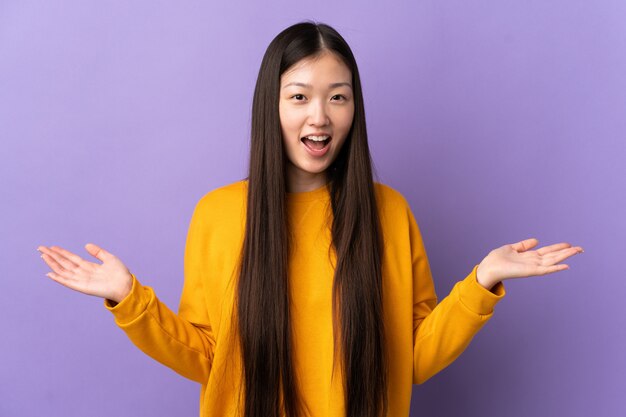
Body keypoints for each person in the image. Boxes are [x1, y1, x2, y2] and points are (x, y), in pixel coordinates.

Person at [37, 21, 583, 417]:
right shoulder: (219, 214)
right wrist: (128, 300)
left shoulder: (388, 213)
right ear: (271, 106)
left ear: (353, 110)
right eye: (299, 96)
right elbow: (208, 357)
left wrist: (483, 281)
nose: (319, 115)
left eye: (337, 98)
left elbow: (410, 359)